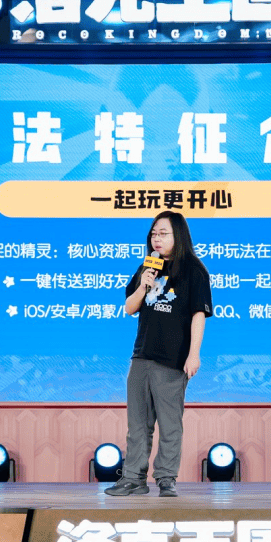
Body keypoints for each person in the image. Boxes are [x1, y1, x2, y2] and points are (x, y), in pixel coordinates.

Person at [105, 211, 212, 497]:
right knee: (138, 424)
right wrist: (144, 284)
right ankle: (133, 478)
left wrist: (194, 354)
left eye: (163, 233)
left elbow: (198, 315)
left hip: (172, 359)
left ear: (179, 235)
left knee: (169, 425)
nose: (156, 238)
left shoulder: (194, 270)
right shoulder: (147, 267)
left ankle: (166, 478)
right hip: (142, 355)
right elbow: (129, 308)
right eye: (153, 233)